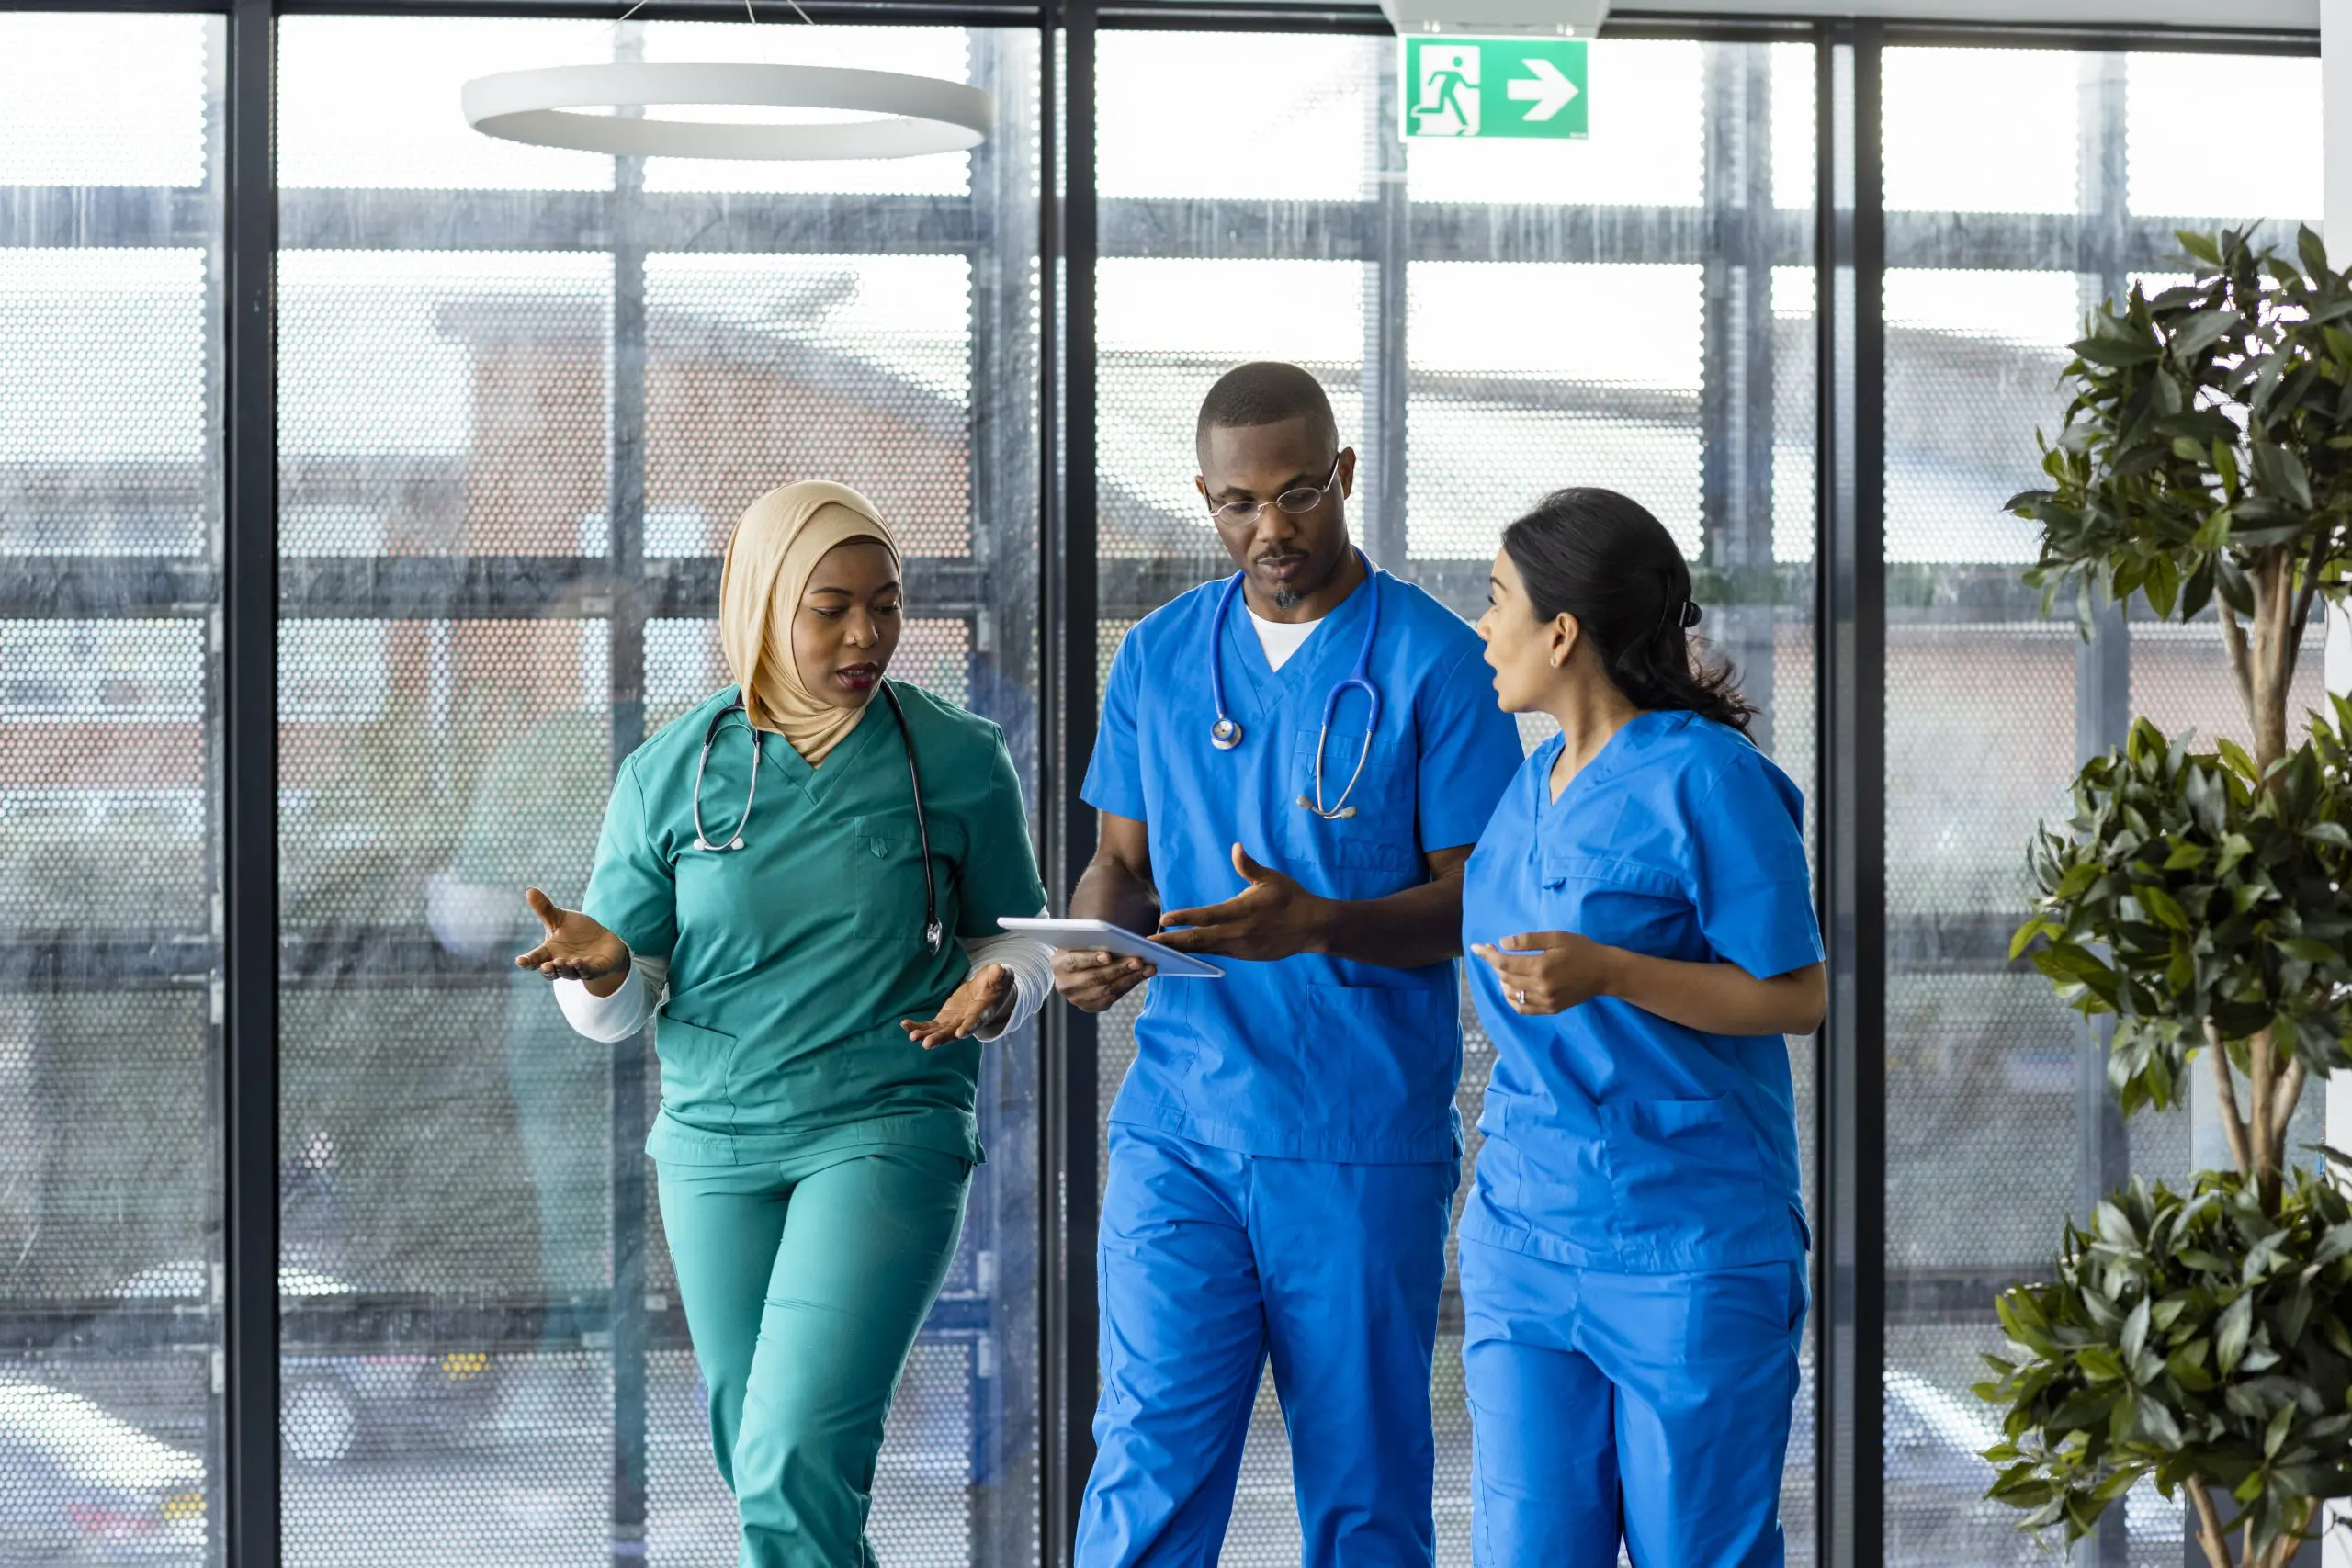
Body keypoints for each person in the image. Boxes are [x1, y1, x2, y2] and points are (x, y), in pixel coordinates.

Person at [514, 480, 1056, 1568]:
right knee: (758, 1454)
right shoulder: (668, 773)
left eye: (888, 604)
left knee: (794, 1448)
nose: (868, 635)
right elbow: (615, 1000)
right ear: (763, 606)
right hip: (715, 1145)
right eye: (830, 607)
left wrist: (1006, 988)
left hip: (885, 1121)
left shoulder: (954, 757)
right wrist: (605, 972)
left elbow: (1020, 938)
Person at [1055, 362, 1525, 1567]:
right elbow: (1120, 858)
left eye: (1300, 493)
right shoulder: (1159, 657)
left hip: (1355, 1136)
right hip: (1181, 1132)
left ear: (1344, 475)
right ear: (1204, 497)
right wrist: (1095, 937)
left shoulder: (1438, 661)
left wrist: (1321, 922)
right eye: (1238, 503)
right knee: (1148, 1461)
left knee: (1364, 1488)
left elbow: (1481, 897)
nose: (1272, 528)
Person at [1459, 487, 1826, 1567]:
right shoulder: (1527, 788)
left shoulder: (1708, 780)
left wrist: (1613, 971)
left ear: (1561, 632)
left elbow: (1794, 995)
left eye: (1496, 603)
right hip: (1524, 1232)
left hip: (1688, 1250)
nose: (1483, 629)